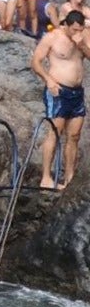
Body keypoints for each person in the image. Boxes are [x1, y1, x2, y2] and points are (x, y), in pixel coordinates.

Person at [33, 11, 90, 190]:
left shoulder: (83, 37)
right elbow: (35, 62)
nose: (76, 33)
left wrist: (82, 45)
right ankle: (46, 178)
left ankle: (69, 178)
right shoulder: (53, 37)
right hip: (58, 91)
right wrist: (48, 79)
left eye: (79, 29)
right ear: (66, 25)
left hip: (77, 93)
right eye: (74, 30)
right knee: (55, 132)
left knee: (74, 136)